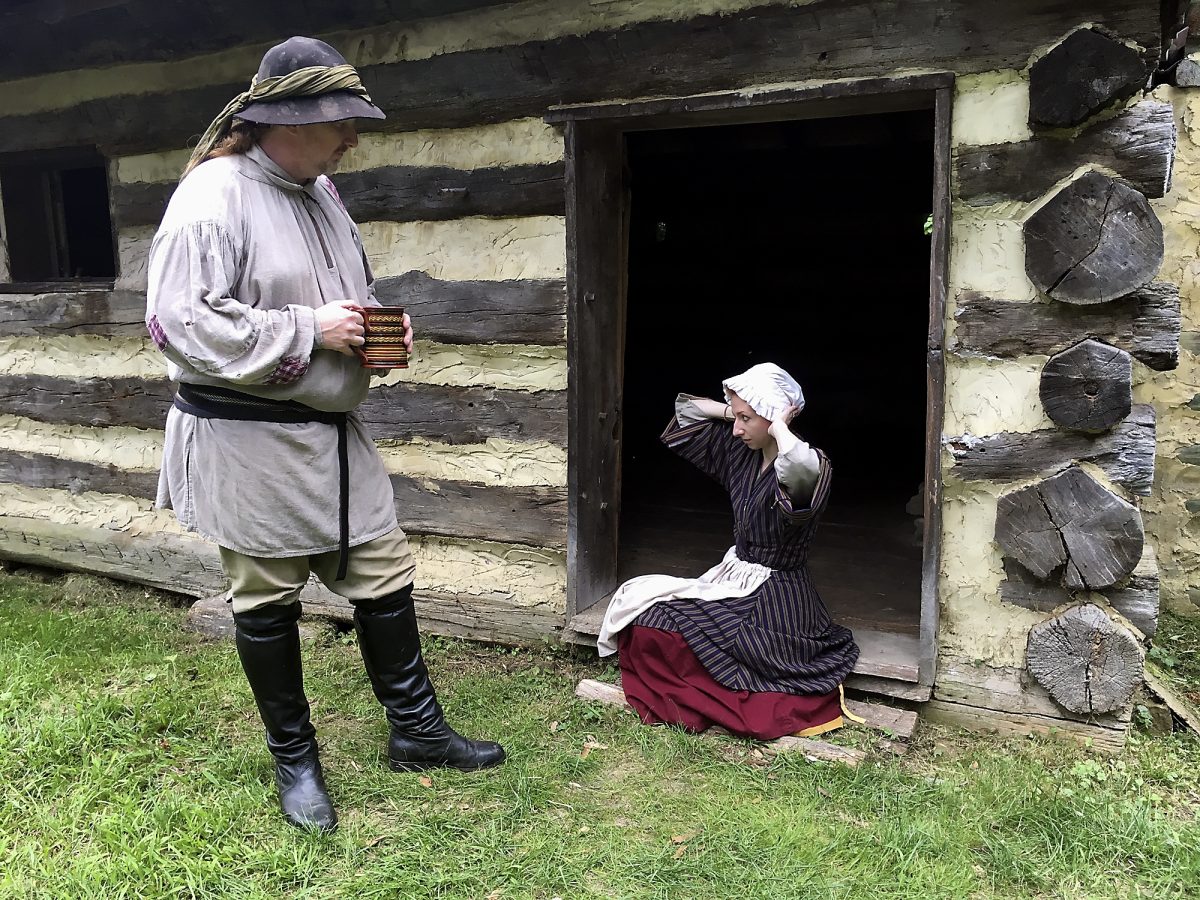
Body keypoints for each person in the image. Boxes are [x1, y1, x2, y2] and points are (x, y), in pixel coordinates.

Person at [145, 36, 504, 833]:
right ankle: (295, 760)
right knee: (267, 597)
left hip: (335, 437)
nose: (352, 140)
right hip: (251, 443)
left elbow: (345, 294)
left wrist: (377, 332)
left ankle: (417, 733)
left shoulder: (322, 192)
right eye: (341, 123)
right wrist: (311, 329)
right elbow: (180, 323)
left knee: (384, 572)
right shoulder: (213, 197)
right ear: (286, 121)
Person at [598, 363, 860, 741]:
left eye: (745, 419)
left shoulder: (811, 466)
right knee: (645, 615)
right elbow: (687, 413)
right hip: (734, 577)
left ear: (774, 417)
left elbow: (797, 468)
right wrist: (733, 409)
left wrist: (779, 427)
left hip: (776, 597)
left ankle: (716, 691)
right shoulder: (741, 452)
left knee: (667, 633)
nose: (736, 428)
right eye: (736, 418)